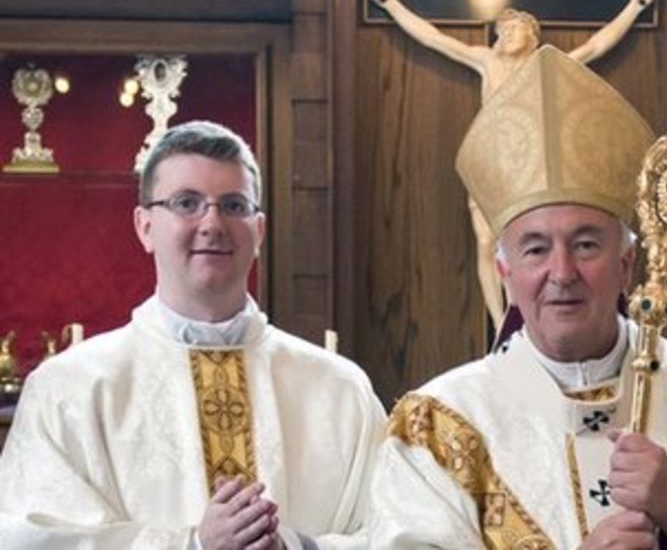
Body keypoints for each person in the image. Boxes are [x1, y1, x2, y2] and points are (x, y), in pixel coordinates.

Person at [368, 46, 667, 549]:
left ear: (626, 264)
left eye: (586, 244)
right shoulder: (439, 425)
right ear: (505, 273)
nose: (562, 272)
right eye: (536, 249)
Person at [0, 121, 386, 549]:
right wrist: (193, 545)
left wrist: (296, 547)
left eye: (234, 206)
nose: (212, 222)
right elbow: (29, 538)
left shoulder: (340, 389)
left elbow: (396, 536)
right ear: (145, 226)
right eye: (187, 203)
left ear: (258, 231)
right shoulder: (68, 389)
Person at [365, 0, 657, 326]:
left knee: (531, 241)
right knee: (486, 242)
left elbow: (597, 46)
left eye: (514, 29)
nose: (505, 35)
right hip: (493, 158)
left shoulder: (546, 66)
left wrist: (634, 6)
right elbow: (432, 38)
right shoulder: (487, 61)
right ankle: (503, 320)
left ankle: (525, 312)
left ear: (532, 37)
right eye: (502, 31)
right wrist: (390, 3)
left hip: (531, 163)